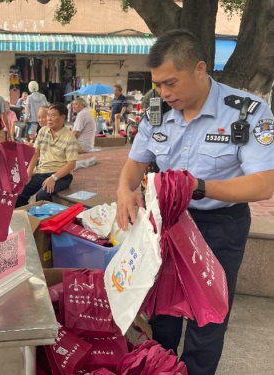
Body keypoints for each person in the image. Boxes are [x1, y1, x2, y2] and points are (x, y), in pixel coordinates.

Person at [116, 29, 274, 375]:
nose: (163, 92)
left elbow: (264, 184)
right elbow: (135, 163)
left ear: (200, 69)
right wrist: (124, 191)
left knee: (208, 319)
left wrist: (200, 187)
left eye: (170, 83)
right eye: (157, 84)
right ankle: (161, 368)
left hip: (220, 227)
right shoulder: (156, 110)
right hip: (169, 223)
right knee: (163, 314)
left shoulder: (246, 113)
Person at [16, 103, 78, 207]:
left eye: (53, 115)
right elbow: (36, 153)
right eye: (48, 115)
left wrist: (53, 178)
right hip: (42, 172)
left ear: (63, 117)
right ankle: (22, 217)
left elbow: (71, 164)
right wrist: (29, 172)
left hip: (61, 176)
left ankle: (46, 221)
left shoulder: (69, 137)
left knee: (42, 195)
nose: (49, 118)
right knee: (20, 191)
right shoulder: (43, 131)